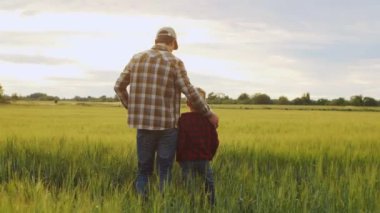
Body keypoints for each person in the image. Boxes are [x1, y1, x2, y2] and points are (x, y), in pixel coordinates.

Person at [114, 27, 219, 198]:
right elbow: (190, 92)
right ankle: (163, 206)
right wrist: (209, 113)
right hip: (167, 129)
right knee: (165, 171)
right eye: (174, 46)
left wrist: (132, 107)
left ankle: (143, 206)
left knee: (144, 171)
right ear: (172, 43)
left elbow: (118, 86)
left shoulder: (137, 58)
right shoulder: (174, 62)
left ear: (156, 41)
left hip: (144, 127)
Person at [176, 88, 219, 206]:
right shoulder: (208, 120)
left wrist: (179, 157)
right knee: (209, 183)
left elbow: (180, 141)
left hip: (186, 160)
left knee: (188, 185)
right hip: (203, 159)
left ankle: (191, 205)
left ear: (187, 103)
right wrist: (209, 155)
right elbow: (214, 141)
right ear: (204, 103)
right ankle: (212, 205)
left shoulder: (182, 120)